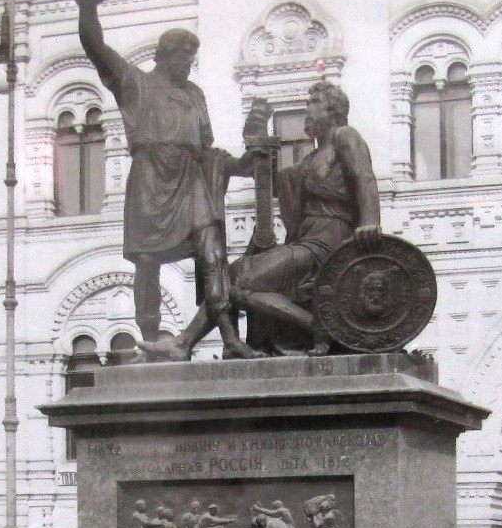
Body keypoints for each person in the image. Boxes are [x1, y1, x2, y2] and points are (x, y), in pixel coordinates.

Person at [67, 0, 256, 357]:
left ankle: (231, 338)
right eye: (183, 57)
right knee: (148, 261)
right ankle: (150, 340)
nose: (189, 64)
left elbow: (209, 152)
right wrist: (88, 12)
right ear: (165, 56)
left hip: (191, 179)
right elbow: (97, 49)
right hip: (151, 179)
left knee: (213, 254)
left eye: (191, 58)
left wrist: (239, 166)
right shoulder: (134, 83)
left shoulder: (195, 95)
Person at [140, 79, 382, 360]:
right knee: (226, 275)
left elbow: (365, 177)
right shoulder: (310, 159)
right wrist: (256, 140)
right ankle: (190, 344)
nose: (307, 109)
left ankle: (317, 326)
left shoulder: (346, 137)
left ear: (334, 110)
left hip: (328, 243)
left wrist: (370, 221)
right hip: (307, 241)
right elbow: (273, 184)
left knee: (240, 281)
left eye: (314, 103)